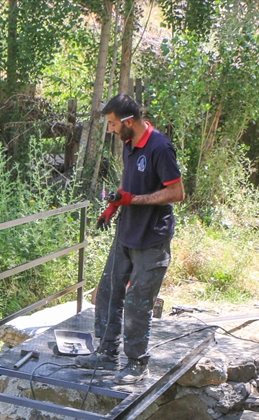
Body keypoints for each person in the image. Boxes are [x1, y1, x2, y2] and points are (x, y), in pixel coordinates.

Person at [78, 93, 185, 384]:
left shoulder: (160, 148)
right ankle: (106, 352)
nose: (110, 130)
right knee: (109, 291)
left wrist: (133, 200)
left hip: (151, 239)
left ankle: (137, 364)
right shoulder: (128, 144)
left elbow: (176, 193)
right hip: (126, 234)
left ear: (128, 121)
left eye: (112, 124)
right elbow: (128, 184)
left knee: (138, 304)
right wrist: (113, 206)